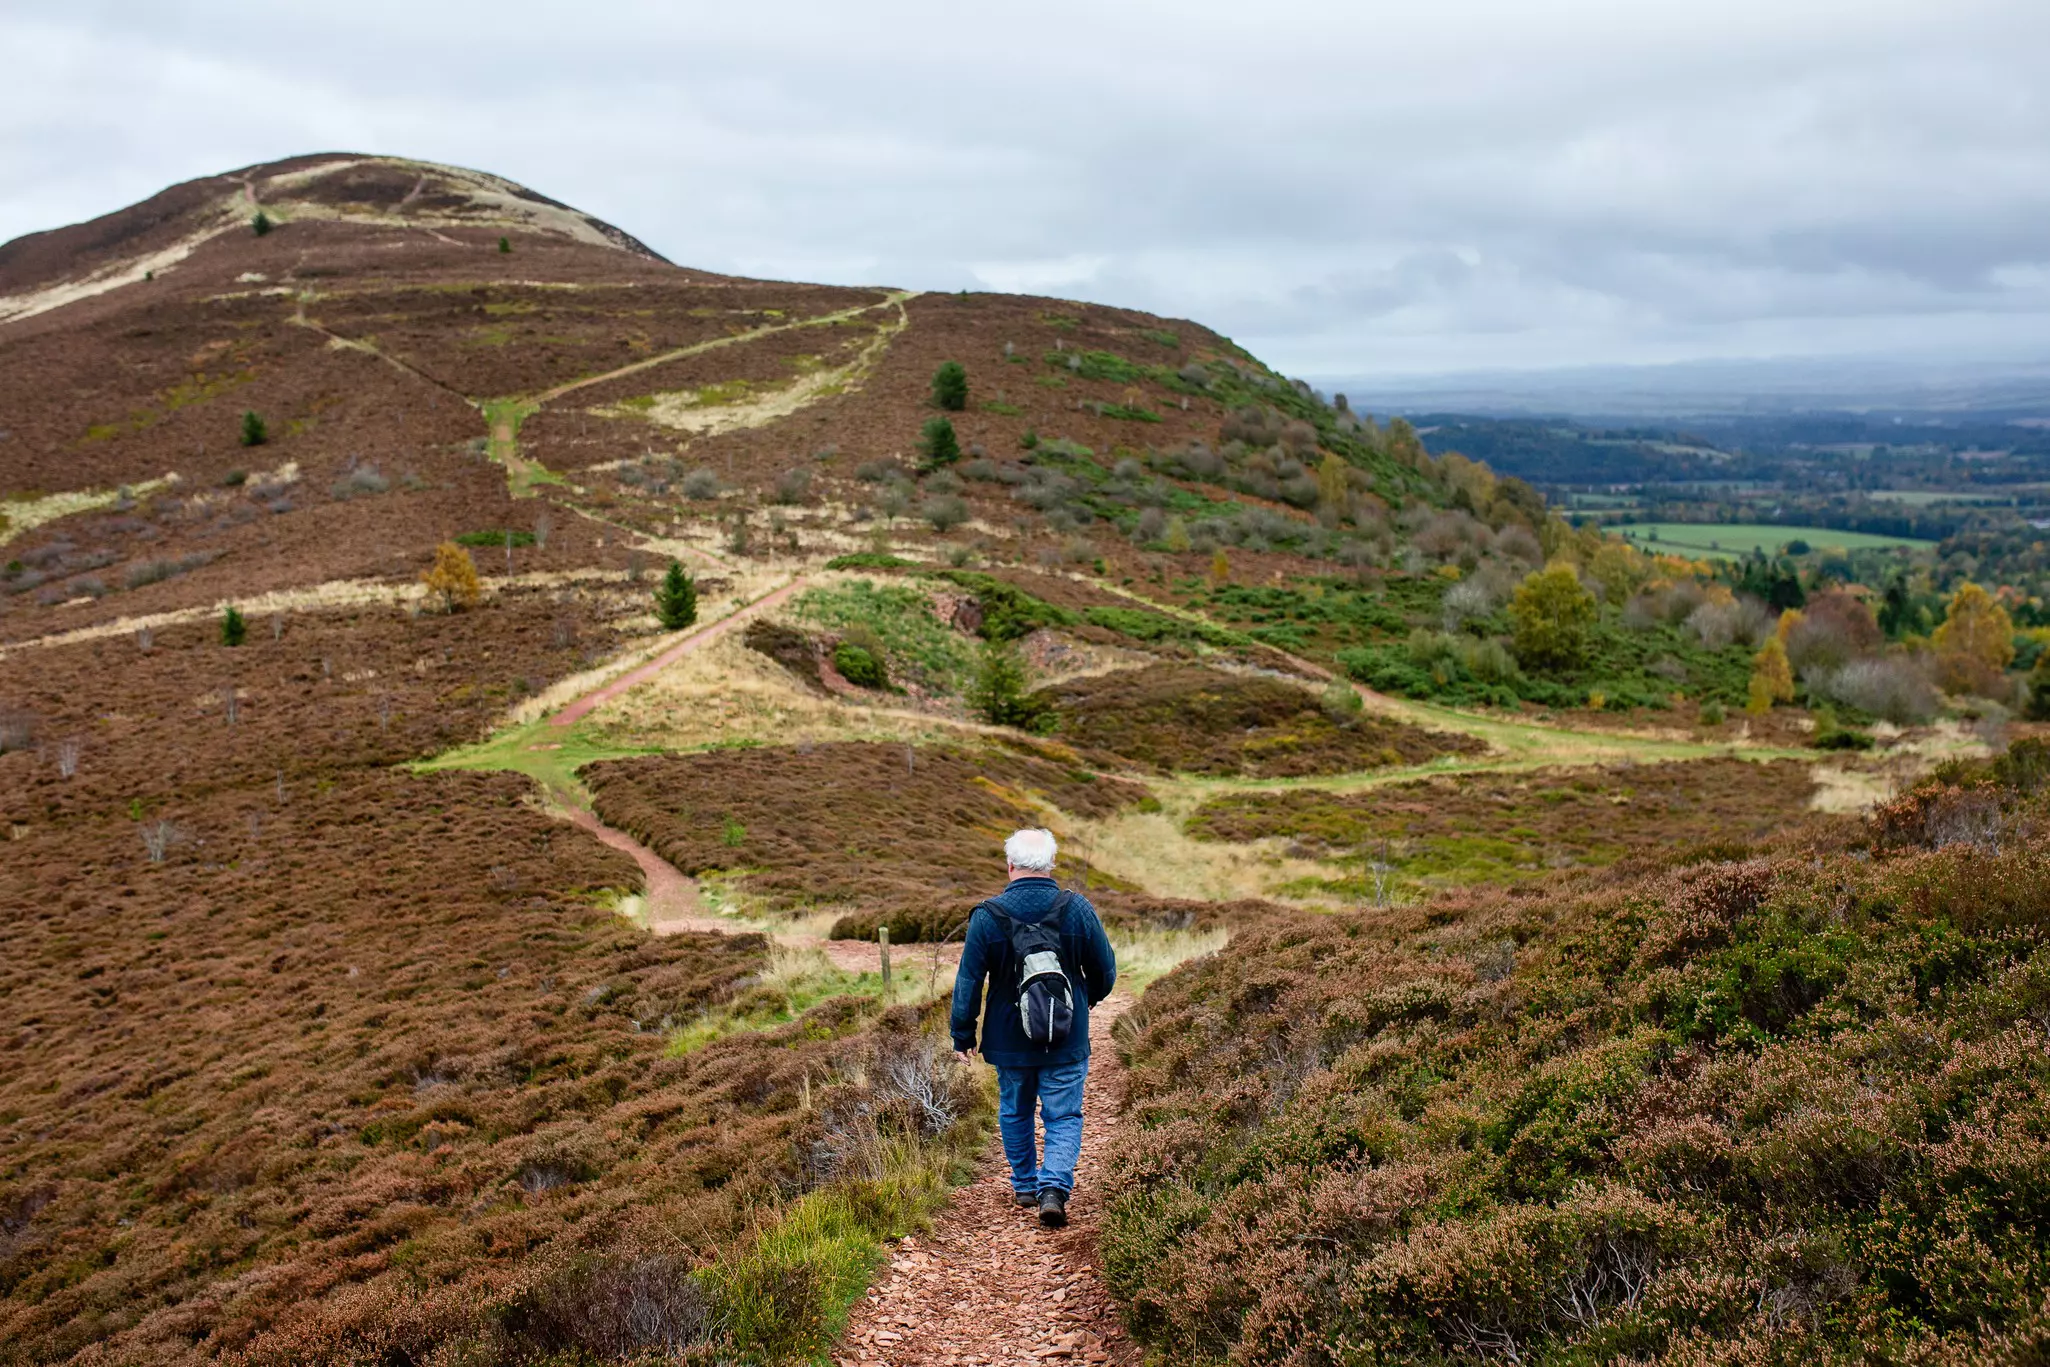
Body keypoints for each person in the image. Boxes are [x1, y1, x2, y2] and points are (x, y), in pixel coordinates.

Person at [950, 828, 1117, 1228]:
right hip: (1066, 1035)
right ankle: (1054, 1189)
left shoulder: (987, 916)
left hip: (1009, 1039)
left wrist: (963, 1034)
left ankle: (1025, 1184)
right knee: (1063, 1116)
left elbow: (968, 981)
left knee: (1015, 1110)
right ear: (1051, 864)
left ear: (1010, 866)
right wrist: (1083, 1001)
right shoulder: (1077, 908)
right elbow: (1105, 970)